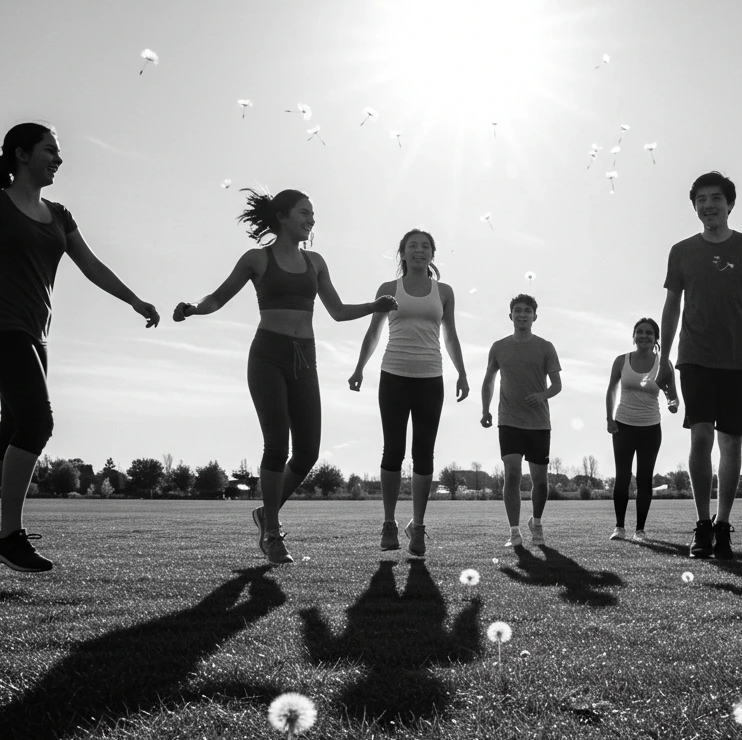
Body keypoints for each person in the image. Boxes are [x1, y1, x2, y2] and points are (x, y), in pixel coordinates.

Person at [0, 123, 160, 572]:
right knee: (38, 423)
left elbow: (91, 265)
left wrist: (134, 300)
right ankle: (9, 536)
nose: (58, 159)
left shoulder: (59, 214)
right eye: (50, 150)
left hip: (34, 335)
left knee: (14, 430)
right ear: (22, 154)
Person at [175, 188, 395, 565]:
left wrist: (374, 306)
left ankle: (265, 512)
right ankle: (272, 533)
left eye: (313, 213)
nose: (311, 219)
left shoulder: (317, 262)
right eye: (304, 212)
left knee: (308, 451)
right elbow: (218, 298)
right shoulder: (257, 259)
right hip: (268, 355)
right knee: (276, 444)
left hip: (304, 359)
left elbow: (338, 311)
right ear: (282, 217)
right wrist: (193, 308)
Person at [657, 171, 742, 560]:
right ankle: (702, 525)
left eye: (716, 198)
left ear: (730, 204)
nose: (708, 205)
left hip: (740, 359)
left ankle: (724, 525)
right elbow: (672, 307)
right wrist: (664, 359)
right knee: (700, 436)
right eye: (701, 200)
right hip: (694, 356)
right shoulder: (681, 251)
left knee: (730, 441)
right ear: (694, 206)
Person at [349, 229, 468, 557]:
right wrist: (359, 368)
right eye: (412, 246)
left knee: (424, 454)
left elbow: (451, 335)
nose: (419, 251)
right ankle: (389, 524)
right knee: (393, 451)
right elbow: (373, 332)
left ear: (432, 254)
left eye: (425, 246)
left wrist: (462, 372)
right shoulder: (389, 289)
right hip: (394, 377)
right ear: (402, 253)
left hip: (431, 379)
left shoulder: (444, 292)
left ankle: (418, 526)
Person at [480, 294, 562, 548]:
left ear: (535, 316)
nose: (522, 314)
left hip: (538, 423)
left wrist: (543, 395)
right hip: (509, 420)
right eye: (518, 310)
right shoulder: (499, 347)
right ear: (511, 316)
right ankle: (514, 532)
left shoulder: (545, 347)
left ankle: (536, 523)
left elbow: (557, 385)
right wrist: (485, 410)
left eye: (527, 311)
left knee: (539, 481)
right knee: (512, 475)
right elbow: (489, 380)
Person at [605, 317, 678, 541]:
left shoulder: (664, 364)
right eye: (640, 332)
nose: (644, 336)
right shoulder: (621, 361)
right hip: (623, 426)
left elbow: (674, 400)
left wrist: (670, 398)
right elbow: (611, 391)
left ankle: (640, 531)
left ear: (656, 339)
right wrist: (609, 418)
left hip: (651, 428)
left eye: (649, 333)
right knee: (622, 476)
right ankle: (619, 528)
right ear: (634, 336)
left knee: (645, 478)